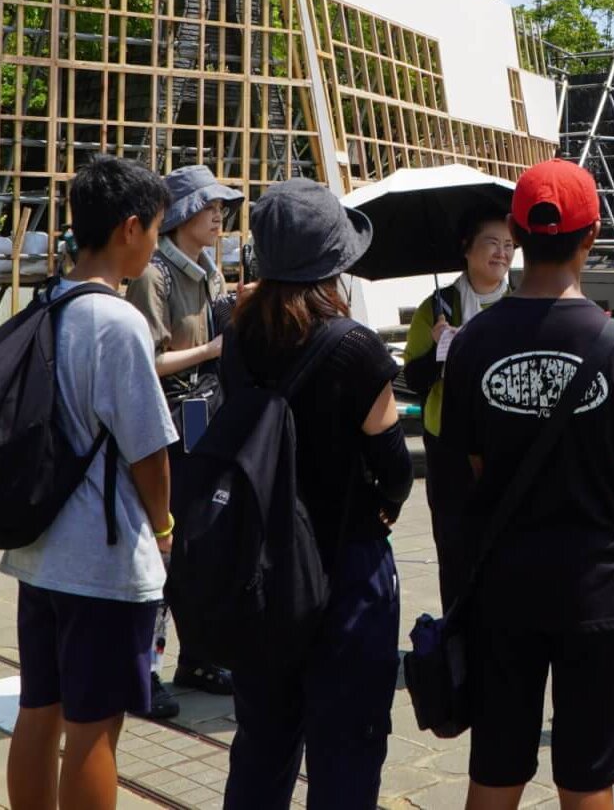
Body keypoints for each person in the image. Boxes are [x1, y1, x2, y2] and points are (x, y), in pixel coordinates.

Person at [442, 159, 614, 810]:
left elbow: (474, 466)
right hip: (597, 587)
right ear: (591, 237)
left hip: (502, 585)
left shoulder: (474, 344)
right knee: (585, 776)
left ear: (516, 233)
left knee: (495, 768)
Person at [217, 177, 411, 809]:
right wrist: (382, 508)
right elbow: (395, 468)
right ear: (335, 265)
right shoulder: (353, 346)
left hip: (262, 566)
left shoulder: (241, 337)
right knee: (347, 752)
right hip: (344, 571)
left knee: (263, 744)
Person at [2, 156, 179, 810]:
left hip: (39, 549)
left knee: (38, 711)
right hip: (102, 561)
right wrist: (163, 527)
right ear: (130, 228)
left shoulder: (47, 299)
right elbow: (149, 452)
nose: (156, 243)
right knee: (95, 728)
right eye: (156, 229)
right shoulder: (118, 321)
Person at [123, 164, 242, 715]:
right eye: (209, 205)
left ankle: (198, 654)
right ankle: (144, 669)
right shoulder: (156, 275)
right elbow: (147, 359)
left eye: (221, 204)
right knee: (165, 547)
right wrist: (210, 352)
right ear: (180, 215)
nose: (219, 213)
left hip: (207, 422)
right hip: (169, 424)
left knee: (202, 545)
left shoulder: (210, 268)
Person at [398, 205, 515, 609]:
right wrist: (440, 350)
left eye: (509, 245)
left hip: (505, 441)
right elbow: (412, 381)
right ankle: (457, 634)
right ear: (466, 248)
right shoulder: (438, 306)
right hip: (448, 443)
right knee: (454, 544)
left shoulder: (521, 303)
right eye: (491, 243)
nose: (502, 253)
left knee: (505, 544)